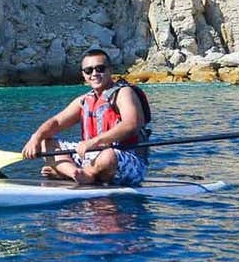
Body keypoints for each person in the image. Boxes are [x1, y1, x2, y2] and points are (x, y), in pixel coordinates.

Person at [21, 48, 151, 185]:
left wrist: (95, 141)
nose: (94, 74)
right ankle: (75, 174)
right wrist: (35, 137)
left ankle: (81, 174)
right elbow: (57, 122)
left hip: (125, 157)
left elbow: (131, 124)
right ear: (83, 75)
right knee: (45, 143)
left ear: (110, 70)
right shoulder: (84, 100)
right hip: (92, 156)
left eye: (100, 68)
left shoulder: (124, 93)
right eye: (88, 70)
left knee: (108, 156)